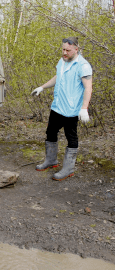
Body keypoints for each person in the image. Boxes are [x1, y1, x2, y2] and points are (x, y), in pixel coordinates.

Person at [31, 37, 93, 181]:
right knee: (50, 131)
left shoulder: (83, 66)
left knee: (71, 137)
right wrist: (42, 87)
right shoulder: (62, 61)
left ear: (76, 49)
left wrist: (84, 108)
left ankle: (68, 169)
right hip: (57, 106)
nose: (64, 52)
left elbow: (88, 88)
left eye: (68, 50)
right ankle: (51, 160)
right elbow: (58, 77)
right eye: (63, 49)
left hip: (71, 109)